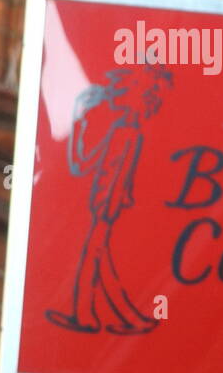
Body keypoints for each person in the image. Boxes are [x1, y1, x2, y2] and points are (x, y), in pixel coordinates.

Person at [46, 65, 173, 335]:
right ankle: (128, 319)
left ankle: (87, 317)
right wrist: (78, 120)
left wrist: (108, 207)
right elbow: (86, 165)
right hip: (105, 206)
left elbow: (116, 174)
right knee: (100, 263)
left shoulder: (127, 132)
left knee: (92, 260)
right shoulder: (124, 129)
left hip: (106, 207)